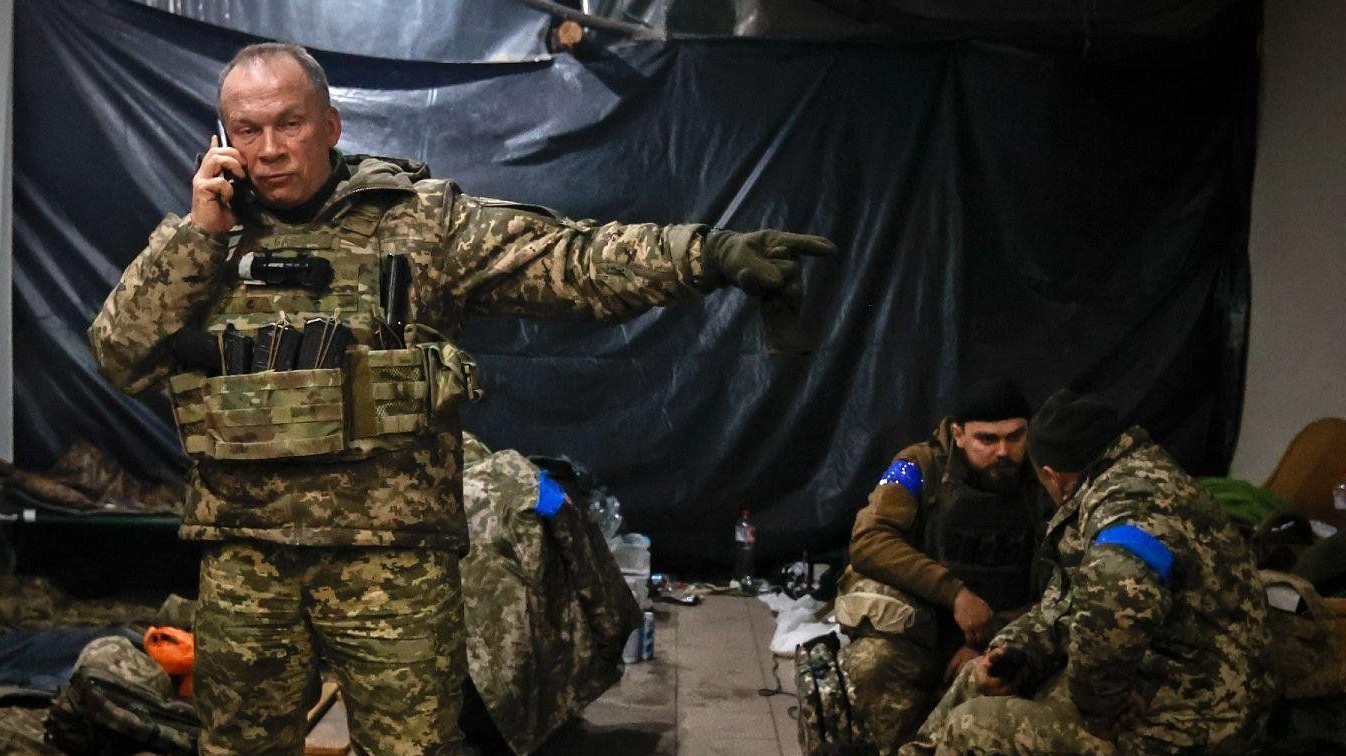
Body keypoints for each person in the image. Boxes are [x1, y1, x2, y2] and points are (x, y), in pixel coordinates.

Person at [88, 43, 832, 755]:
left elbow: (573, 260)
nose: (271, 149)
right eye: (248, 130)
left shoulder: (420, 223)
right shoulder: (205, 242)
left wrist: (709, 255)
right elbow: (120, 354)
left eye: (290, 123)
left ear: (332, 125)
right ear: (223, 138)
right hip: (245, 562)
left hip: (390, 565)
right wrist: (198, 236)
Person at [902, 389, 1273, 755]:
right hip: (1150, 675)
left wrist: (1099, 711)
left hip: (1200, 710)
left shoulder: (1132, 507)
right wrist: (1016, 651)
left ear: (1054, 476)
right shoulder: (1115, 479)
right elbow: (1066, 602)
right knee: (982, 675)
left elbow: (1112, 616)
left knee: (975, 725)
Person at [836, 377, 1051, 752]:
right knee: (871, 665)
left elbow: (1065, 579)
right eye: (987, 439)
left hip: (1013, 635)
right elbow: (870, 539)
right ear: (958, 434)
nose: (1003, 451)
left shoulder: (1046, 477)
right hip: (924, 632)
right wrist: (955, 593)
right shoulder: (916, 466)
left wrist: (994, 640)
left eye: (1015, 437)